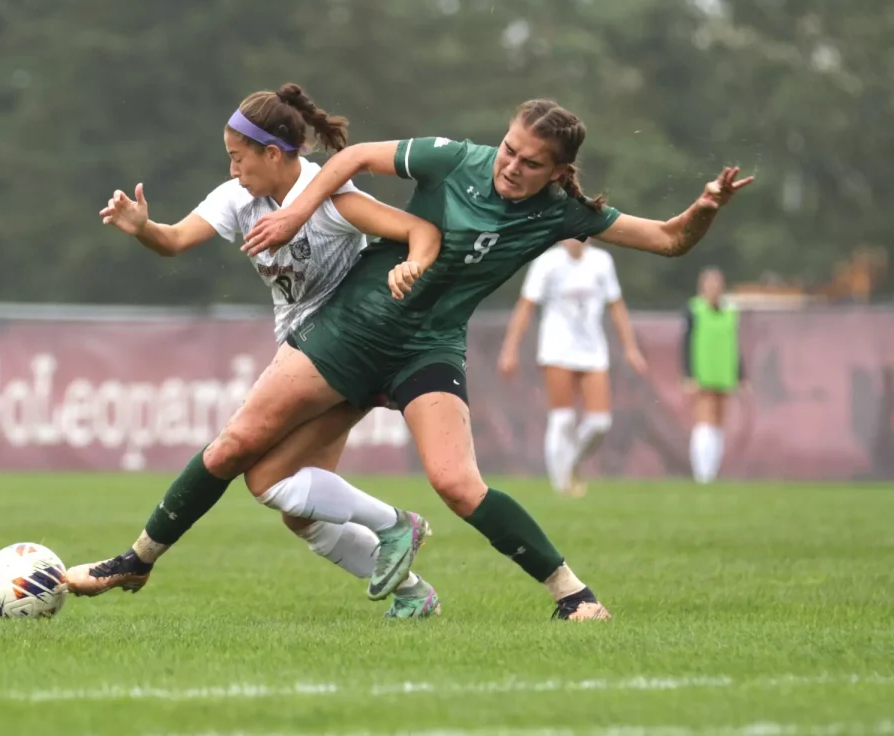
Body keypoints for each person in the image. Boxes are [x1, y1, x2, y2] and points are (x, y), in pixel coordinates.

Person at [67, 99, 752, 621]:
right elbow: (353, 158)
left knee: (458, 484)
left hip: (429, 348)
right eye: (510, 149)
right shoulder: (454, 158)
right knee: (249, 456)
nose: (511, 166)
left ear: (559, 171)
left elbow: (667, 241)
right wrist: (299, 212)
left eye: (530, 161)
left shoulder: (559, 214)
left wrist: (705, 209)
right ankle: (139, 559)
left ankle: (571, 594)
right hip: (352, 330)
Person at [91, 83, 444, 618]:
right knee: (297, 507)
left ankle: (138, 557)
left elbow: (419, 229)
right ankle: (412, 592)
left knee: (245, 457)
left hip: (344, 347)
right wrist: (143, 229)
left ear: (273, 154)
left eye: (238, 158)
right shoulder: (240, 199)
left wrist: (414, 264)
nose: (233, 171)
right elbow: (175, 240)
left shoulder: (334, 199)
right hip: (306, 350)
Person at [497, 238, 647, 497]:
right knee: (563, 418)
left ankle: (571, 463)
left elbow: (617, 306)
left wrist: (630, 348)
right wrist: (510, 349)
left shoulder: (602, 261)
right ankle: (562, 487)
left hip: (592, 349)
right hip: (557, 348)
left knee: (600, 422)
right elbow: (526, 306)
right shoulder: (547, 262)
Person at [683, 266, 745, 484]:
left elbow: (735, 345)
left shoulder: (730, 311)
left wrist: (741, 375)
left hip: (724, 372)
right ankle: (702, 473)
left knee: (719, 422)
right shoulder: (695, 309)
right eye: (709, 284)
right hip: (703, 373)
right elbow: (686, 344)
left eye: (717, 284)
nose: (713, 288)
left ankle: (712, 471)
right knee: (704, 421)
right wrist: (689, 375)